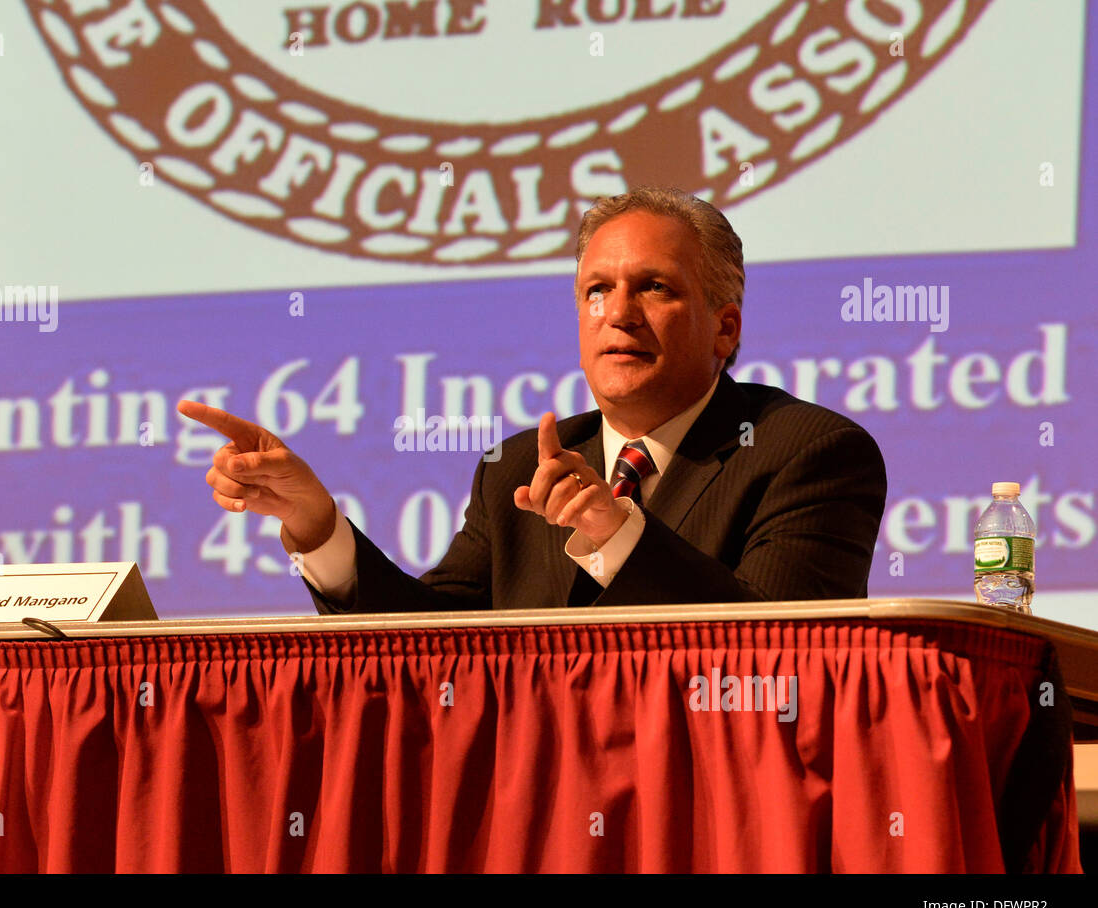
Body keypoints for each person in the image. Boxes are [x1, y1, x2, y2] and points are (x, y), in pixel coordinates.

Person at [178, 187, 887, 612]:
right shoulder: (518, 467)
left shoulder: (808, 452)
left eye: (655, 287)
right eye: (597, 291)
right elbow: (436, 647)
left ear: (724, 326)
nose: (620, 313)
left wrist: (619, 534)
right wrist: (317, 525)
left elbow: (784, 653)